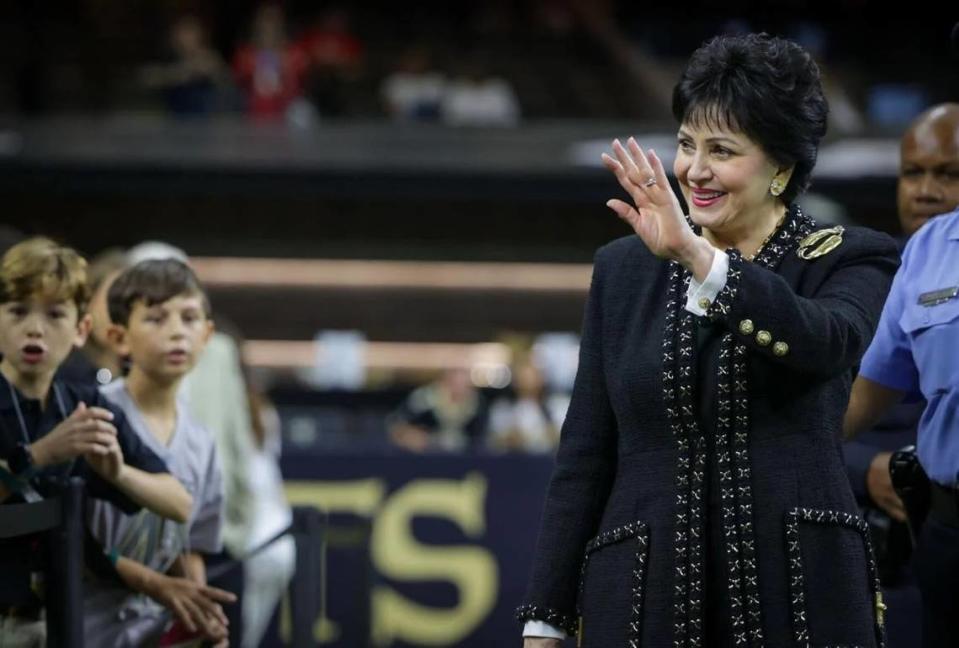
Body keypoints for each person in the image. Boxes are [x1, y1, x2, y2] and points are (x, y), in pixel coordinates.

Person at [518, 33, 900, 647]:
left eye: (721, 150)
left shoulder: (850, 257)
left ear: (782, 166)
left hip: (799, 597)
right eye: (686, 144)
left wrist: (700, 258)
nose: (694, 170)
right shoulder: (624, 269)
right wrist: (545, 618)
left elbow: (823, 343)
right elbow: (585, 454)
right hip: (645, 598)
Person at [0, 238, 192, 646]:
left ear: (81, 329)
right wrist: (39, 455)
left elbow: (178, 501)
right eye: (18, 312)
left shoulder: (86, 407)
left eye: (55, 314)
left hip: (61, 618)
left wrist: (119, 473)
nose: (35, 328)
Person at [842, 103, 959, 647]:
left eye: (949, 174)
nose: (927, 190)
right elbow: (857, 399)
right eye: (914, 173)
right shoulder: (917, 257)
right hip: (941, 530)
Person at [83, 259, 235, 646]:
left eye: (189, 318)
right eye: (156, 318)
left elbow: (191, 550)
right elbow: (76, 545)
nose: (177, 333)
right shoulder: (91, 415)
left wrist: (200, 614)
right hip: (78, 624)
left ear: (207, 334)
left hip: (149, 632)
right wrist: (158, 585)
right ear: (118, 337)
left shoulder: (202, 441)